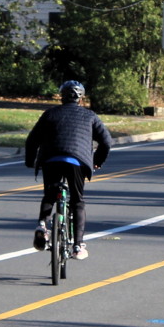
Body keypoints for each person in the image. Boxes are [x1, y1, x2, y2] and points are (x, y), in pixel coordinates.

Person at [25, 80, 112, 261]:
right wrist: (97, 161)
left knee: (50, 194)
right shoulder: (90, 116)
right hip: (77, 161)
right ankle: (78, 245)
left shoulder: (50, 114)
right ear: (81, 98)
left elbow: (32, 140)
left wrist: (29, 161)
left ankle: (42, 226)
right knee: (77, 201)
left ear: (61, 96)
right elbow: (106, 142)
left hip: (51, 159)